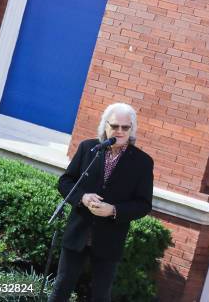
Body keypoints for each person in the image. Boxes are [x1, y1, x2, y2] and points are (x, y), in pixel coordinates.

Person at [49, 103, 154, 302]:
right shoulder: (89, 148)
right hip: (78, 232)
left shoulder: (142, 162)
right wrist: (83, 198)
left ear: (132, 130)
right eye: (115, 126)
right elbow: (65, 182)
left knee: (100, 295)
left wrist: (113, 210)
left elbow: (143, 204)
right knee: (61, 289)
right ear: (105, 126)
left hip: (110, 240)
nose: (120, 131)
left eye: (125, 127)